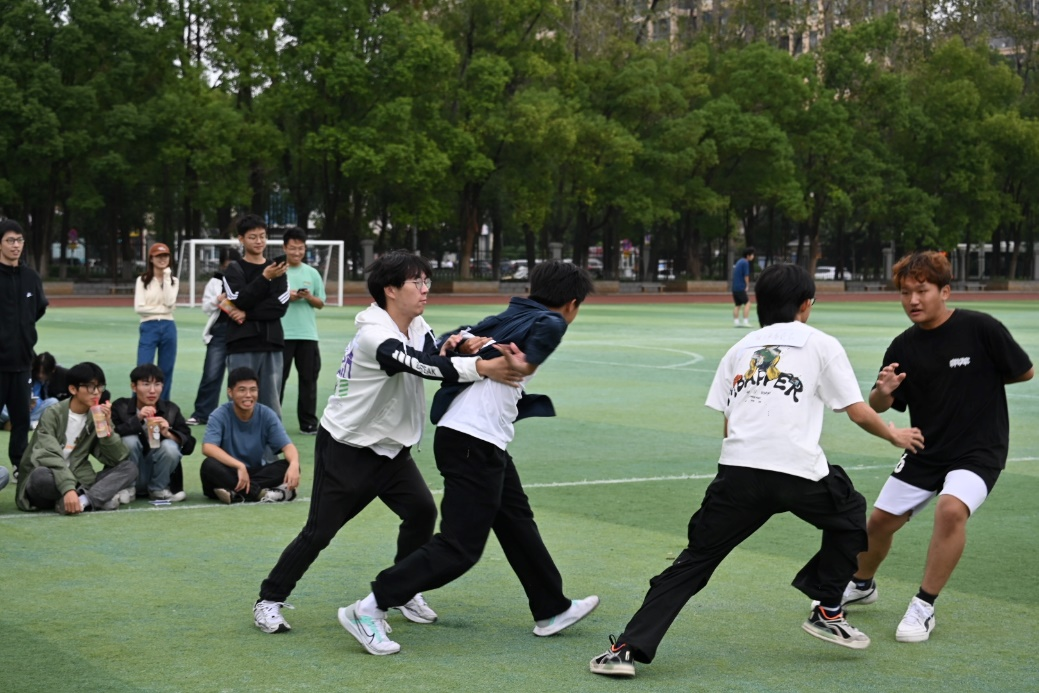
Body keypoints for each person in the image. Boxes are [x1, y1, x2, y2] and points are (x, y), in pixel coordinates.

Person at [589, 263, 926, 678]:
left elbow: (729, 421)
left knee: (695, 560)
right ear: (806, 305)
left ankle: (624, 650)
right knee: (851, 512)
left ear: (759, 303)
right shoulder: (820, 343)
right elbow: (857, 411)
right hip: (797, 472)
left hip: (737, 472)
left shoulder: (740, 348)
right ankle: (827, 608)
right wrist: (894, 434)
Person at [253, 250, 524, 635]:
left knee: (421, 512)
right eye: (417, 282)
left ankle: (401, 590)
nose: (425, 289)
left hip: (391, 449)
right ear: (390, 290)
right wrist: (481, 366)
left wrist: (457, 345)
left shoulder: (416, 324)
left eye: (426, 281)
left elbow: (430, 352)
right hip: (347, 447)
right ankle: (268, 599)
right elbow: (419, 365)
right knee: (320, 532)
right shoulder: (373, 334)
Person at [338, 260, 599, 656]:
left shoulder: (513, 313)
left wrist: (464, 343)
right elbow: (526, 355)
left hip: (477, 437)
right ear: (573, 304)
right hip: (472, 439)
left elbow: (453, 337)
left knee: (516, 521)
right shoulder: (550, 320)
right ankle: (370, 606)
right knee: (460, 547)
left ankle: (552, 609)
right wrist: (508, 358)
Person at [841, 251, 1033, 643]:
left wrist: (981, 383)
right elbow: (880, 405)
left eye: (922, 290)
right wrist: (882, 391)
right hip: (925, 449)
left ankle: (923, 605)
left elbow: (1023, 370)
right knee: (879, 523)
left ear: (944, 291)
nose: (912, 300)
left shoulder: (981, 328)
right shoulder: (903, 346)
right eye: (905, 292)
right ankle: (861, 584)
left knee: (950, 509)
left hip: (979, 450)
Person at [16, 362, 137, 515]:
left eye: (100, 387)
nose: (96, 392)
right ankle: (90, 497)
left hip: (79, 478)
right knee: (39, 476)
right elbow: (47, 456)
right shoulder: (53, 414)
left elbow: (116, 458)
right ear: (73, 389)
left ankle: (83, 501)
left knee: (129, 468)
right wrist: (68, 488)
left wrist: (107, 429)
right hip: (50, 478)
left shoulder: (96, 417)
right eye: (90, 387)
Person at [200, 366, 300, 504]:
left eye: (253, 390)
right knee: (209, 466)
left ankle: (236, 493)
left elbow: (287, 446)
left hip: (254, 472)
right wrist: (239, 466)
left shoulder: (266, 414)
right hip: (228, 471)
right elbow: (208, 447)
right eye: (242, 390)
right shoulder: (219, 415)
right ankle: (262, 493)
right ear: (230, 392)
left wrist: (294, 464)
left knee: (288, 465)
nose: (248, 395)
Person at [222, 215, 290, 417]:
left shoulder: (278, 269)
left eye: (262, 236)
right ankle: (236, 439)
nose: (259, 241)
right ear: (241, 239)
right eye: (253, 237)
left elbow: (279, 307)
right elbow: (239, 299)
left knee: (271, 404)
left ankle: (271, 440)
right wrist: (264, 278)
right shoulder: (233, 270)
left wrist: (248, 313)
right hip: (241, 344)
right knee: (240, 402)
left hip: (271, 344)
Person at [0, 219, 48, 478]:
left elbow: (38, 309)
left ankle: (20, 463)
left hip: (23, 362)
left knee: (21, 419)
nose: (15, 245)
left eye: (19, 240)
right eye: (10, 240)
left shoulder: (31, 277)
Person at [111, 364, 195, 502]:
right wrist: (137, 419)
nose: (152, 390)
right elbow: (112, 438)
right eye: (146, 384)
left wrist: (169, 434)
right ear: (134, 387)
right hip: (127, 474)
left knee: (170, 446)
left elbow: (189, 446)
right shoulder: (121, 407)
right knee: (129, 440)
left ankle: (158, 490)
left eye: (157, 384)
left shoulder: (170, 410)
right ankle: (128, 489)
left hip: (160, 474)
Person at [279, 227, 325, 434]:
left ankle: (308, 423)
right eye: (293, 248)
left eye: (301, 248)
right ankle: (273, 421)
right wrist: (287, 296)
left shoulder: (312, 273)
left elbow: (320, 303)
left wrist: (307, 297)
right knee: (278, 380)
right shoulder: (277, 271)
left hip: (307, 335)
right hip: (282, 334)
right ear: (284, 248)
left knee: (309, 380)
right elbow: (269, 298)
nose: (297, 252)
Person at [187, 248, 241, 426]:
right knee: (211, 373)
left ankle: (239, 415)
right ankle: (202, 413)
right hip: (220, 330)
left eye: (233, 265)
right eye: (227, 265)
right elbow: (206, 308)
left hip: (241, 330)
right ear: (222, 265)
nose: (230, 268)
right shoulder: (215, 281)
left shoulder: (245, 279)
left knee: (240, 376)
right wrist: (219, 299)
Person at [135, 242, 179, 401]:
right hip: (148, 325)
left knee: (166, 369)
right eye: (158, 256)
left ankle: (163, 405)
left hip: (169, 326)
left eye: (165, 256)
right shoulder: (142, 280)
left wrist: (166, 277)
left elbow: (169, 301)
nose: (162, 259)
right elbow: (139, 308)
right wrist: (164, 309)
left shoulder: (173, 280)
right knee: (143, 368)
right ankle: (138, 405)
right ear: (151, 259)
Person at [731, 247, 755, 328]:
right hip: (740, 287)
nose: (753, 256)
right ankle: (745, 321)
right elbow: (746, 275)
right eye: (752, 255)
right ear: (748, 256)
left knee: (738, 305)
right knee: (748, 303)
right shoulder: (745, 263)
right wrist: (747, 285)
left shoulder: (739, 261)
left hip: (734, 287)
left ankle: (736, 322)